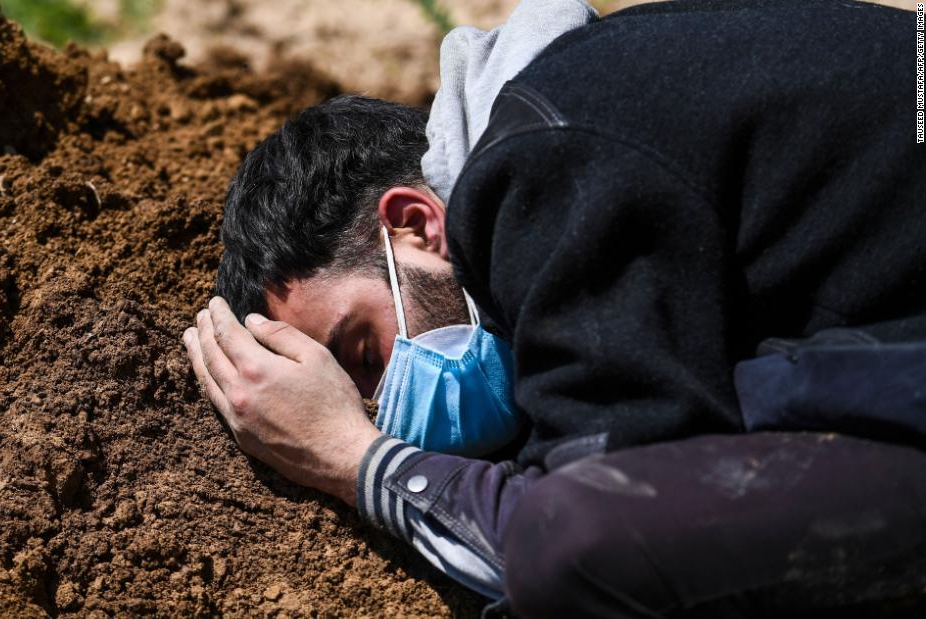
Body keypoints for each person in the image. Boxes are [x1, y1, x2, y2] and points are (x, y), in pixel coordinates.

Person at [183, 0, 926, 615]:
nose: (380, 406)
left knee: (567, 537)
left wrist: (355, 458)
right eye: (363, 403)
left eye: (365, 355)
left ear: (415, 225)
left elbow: (622, 502)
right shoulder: (592, 95)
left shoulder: (542, 167)